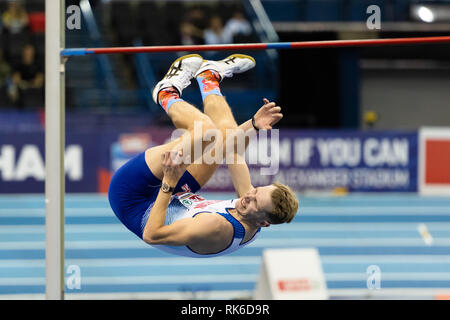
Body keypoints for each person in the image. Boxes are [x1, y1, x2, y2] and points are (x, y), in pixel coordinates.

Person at [108, 54, 299, 258]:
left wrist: (169, 181)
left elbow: (152, 235)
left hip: (133, 199)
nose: (248, 195)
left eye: (254, 202)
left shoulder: (216, 226)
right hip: (173, 195)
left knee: (205, 131)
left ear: (263, 223)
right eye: (256, 191)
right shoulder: (250, 209)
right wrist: (253, 125)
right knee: (225, 133)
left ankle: (166, 93)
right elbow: (232, 151)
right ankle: (208, 78)